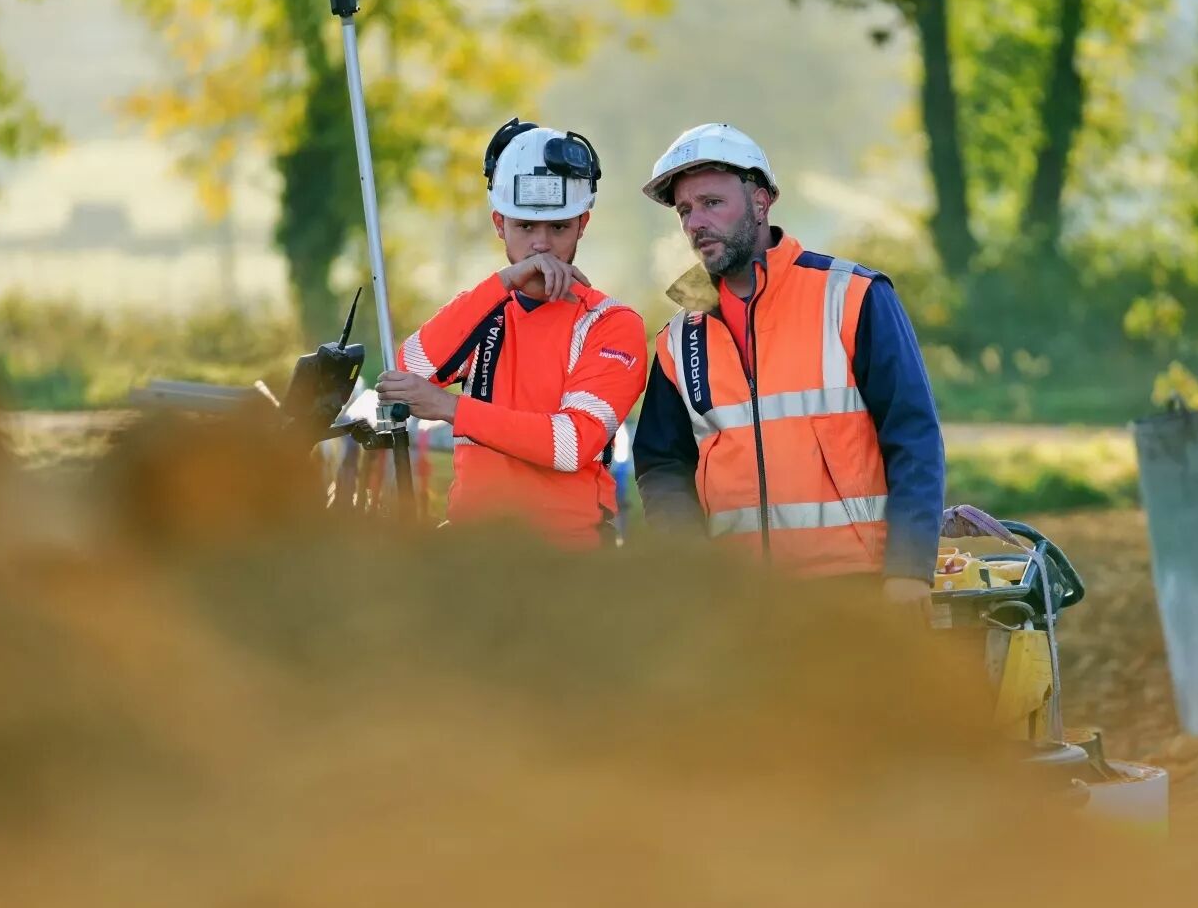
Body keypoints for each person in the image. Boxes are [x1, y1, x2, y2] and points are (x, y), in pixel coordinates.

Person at [630, 122, 945, 606]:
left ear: (761, 203)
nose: (695, 223)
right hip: (738, 603)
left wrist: (909, 570)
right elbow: (661, 465)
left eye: (712, 203)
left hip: (856, 589)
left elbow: (913, 437)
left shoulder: (853, 296)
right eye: (686, 210)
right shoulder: (679, 338)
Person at [374, 119, 647, 549]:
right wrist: (502, 284)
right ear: (499, 222)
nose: (541, 245)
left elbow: (570, 444)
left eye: (558, 227)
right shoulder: (484, 307)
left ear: (583, 224)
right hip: (472, 554)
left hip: (569, 561)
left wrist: (451, 409)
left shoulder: (611, 323)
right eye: (525, 226)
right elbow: (409, 372)